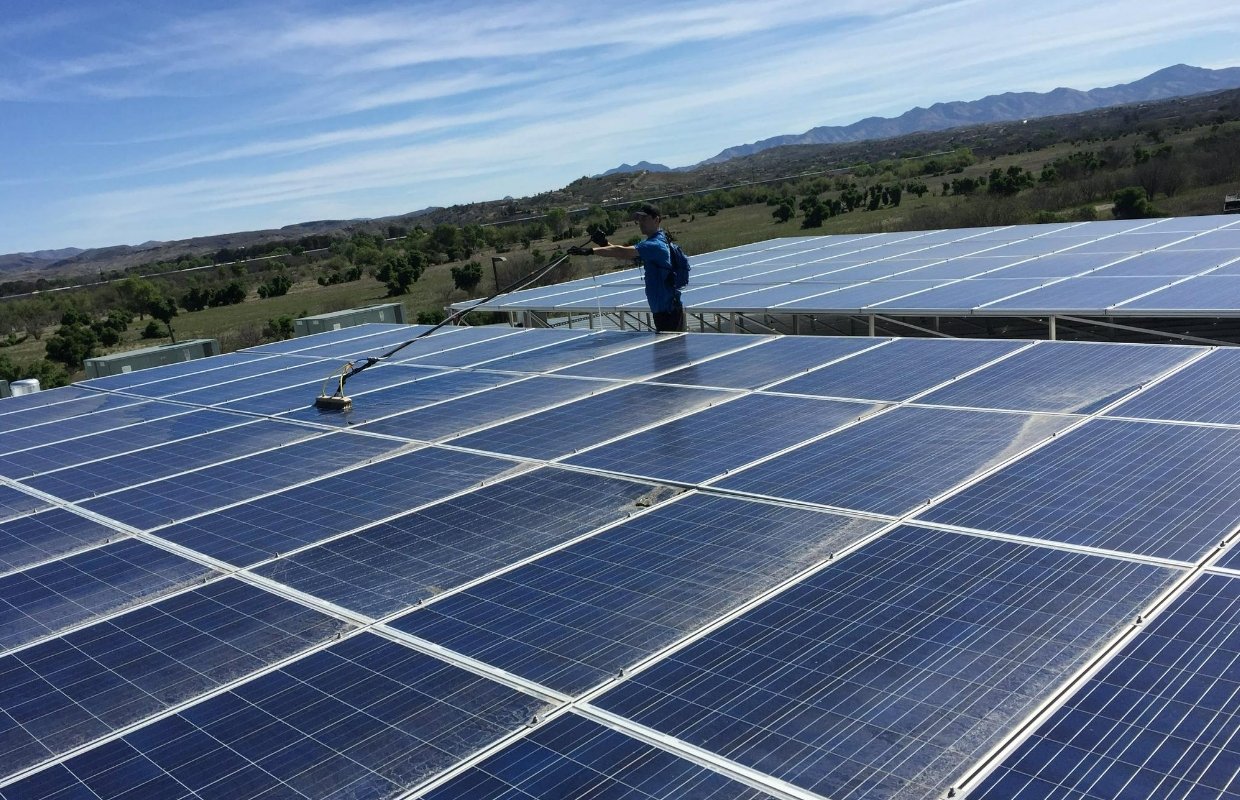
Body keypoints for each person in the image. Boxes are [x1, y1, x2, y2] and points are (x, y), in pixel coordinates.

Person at [569, 203, 686, 332]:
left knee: (670, 350)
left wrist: (591, 250)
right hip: (665, 310)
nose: (640, 222)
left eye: (644, 219)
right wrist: (604, 243)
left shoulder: (656, 245)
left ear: (656, 220)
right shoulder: (652, 243)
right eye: (639, 219)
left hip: (668, 312)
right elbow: (625, 255)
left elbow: (623, 252)